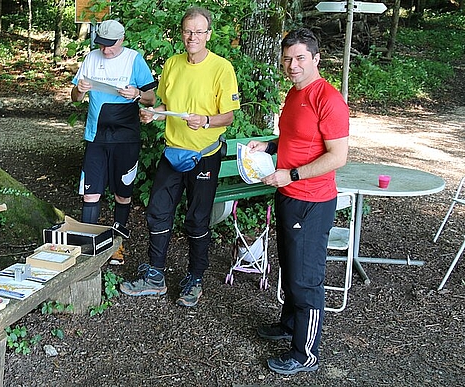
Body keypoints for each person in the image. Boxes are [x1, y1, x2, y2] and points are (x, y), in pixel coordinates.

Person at [120, 7, 240, 307]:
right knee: (158, 212)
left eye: (199, 31)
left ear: (208, 34)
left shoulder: (222, 68)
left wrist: (207, 122)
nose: (193, 37)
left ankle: (195, 279)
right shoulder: (172, 65)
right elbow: (164, 105)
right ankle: (155, 276)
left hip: (205, 155)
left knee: (197, 220)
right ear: (182, 34)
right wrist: (153, 114)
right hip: (173, 153)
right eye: (188, 31)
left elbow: (228, 117)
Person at [247, 28, 349, 375]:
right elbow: (296, 138)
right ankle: (289, 325)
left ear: (316, 59)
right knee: (291, 268)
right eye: (287, 58)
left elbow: (337, 157)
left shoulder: (328, 99)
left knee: (306, 277)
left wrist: (290, 175)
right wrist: (270, 147)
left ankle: (306, 353)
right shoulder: (294, 94)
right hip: (288, 196)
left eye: (300, 58)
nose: (292, 64)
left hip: (312, 200)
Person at [71, 19, 157, 265]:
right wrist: (81, 90)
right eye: (102, 45)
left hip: (126, 136)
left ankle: (117, 244)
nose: (105, 50)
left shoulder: (134, 59)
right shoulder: (91, 58)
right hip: (96, 136)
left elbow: (151, 98)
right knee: (91, 193)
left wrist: (137, 94)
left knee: (123, 194)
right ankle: (88, 246)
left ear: (121, 40)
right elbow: (75, 97)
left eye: (110, 45)